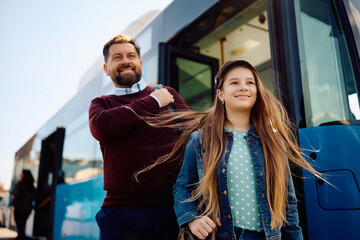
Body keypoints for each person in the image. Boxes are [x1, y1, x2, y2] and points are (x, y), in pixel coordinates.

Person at [138, 60, 322, 240]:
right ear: (221, 95)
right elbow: (182, 187)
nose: (243, 87)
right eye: (234, 82)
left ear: (257, 92)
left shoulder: (274, 142)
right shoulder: (201, 140)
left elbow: (287, 205)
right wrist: (191, 219)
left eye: (250, 82)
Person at [89, 34, 188, 240]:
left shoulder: (167, 94)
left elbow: (194, 138)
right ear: (106, 69)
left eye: (131, 55)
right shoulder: (101, 104)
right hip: (119, 215)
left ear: (140, 63)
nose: (125, 60)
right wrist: (152, 102)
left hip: (171, 211)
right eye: (117, 57)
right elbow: (101, 128)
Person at [11, 169, 35, 240]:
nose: (20, 175)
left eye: (21, 174)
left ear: (24, 175)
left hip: (19, 209)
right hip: (27, 210)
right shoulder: (32, 187)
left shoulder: (19, 185)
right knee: (22, 226)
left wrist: (13, 196)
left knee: (20, 228)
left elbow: (15, 196)